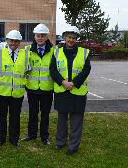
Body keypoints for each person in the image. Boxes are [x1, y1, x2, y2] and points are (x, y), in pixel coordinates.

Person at [49, 26, 91, 155]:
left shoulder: (84, 52)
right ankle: (60, 143)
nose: (71, 40)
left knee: (76, 120)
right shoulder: (56, 52)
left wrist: (74, 83)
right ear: (64, 38)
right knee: (62, 119)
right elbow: (53, 70)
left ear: (76, 39)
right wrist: (63, 82)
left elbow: (86, 70)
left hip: (77, 91)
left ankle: (73, 146)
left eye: (73, 38)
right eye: (68, 37)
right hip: (62, 90)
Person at [0, 30, 27, 147]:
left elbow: (27, 70)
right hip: (2, 91)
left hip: (17, 92)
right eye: (11, 40)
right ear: (7, 41)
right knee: (1, 116)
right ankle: (0, 139)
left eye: (16, 41)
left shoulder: (25, 54)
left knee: (15, 116)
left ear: (19, 42)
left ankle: (14, 139)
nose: (13, 43)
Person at [22, 23, 54, 145]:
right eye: (38, 35)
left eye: (42, 36)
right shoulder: (27, 51)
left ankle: (45, 137)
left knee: (45, 114)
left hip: (47, 89)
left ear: (46, 37)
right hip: (32, 88)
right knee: (32, 113)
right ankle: (32, 135)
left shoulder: (54, 51)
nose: (40, 38)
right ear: (34, 37)